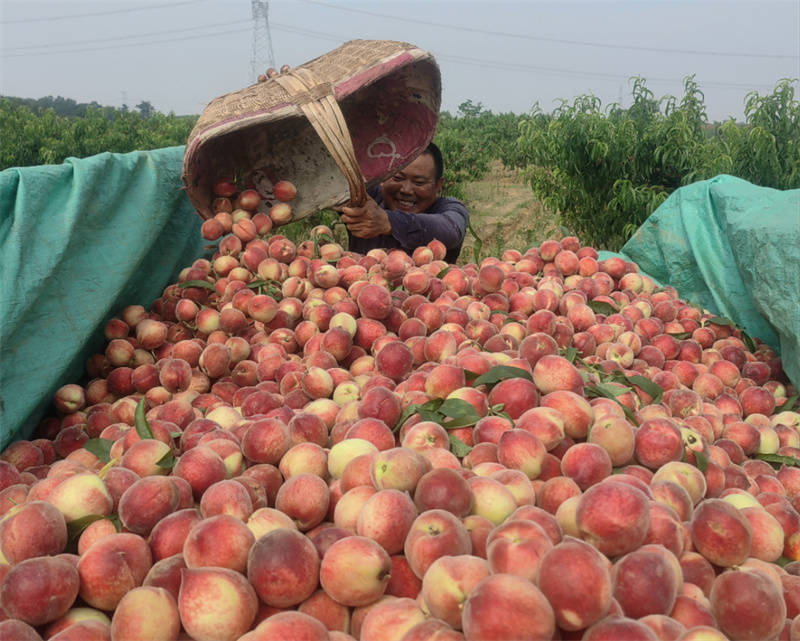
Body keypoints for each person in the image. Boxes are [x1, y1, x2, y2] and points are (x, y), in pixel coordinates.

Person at [338, 142, 469, 264]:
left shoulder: (450, 209)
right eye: (397, 178)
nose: (406, 190)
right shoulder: (365, 199)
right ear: (383, 176)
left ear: (438, 185)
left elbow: (451, 230)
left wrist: (389, 222)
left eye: (419, 183)